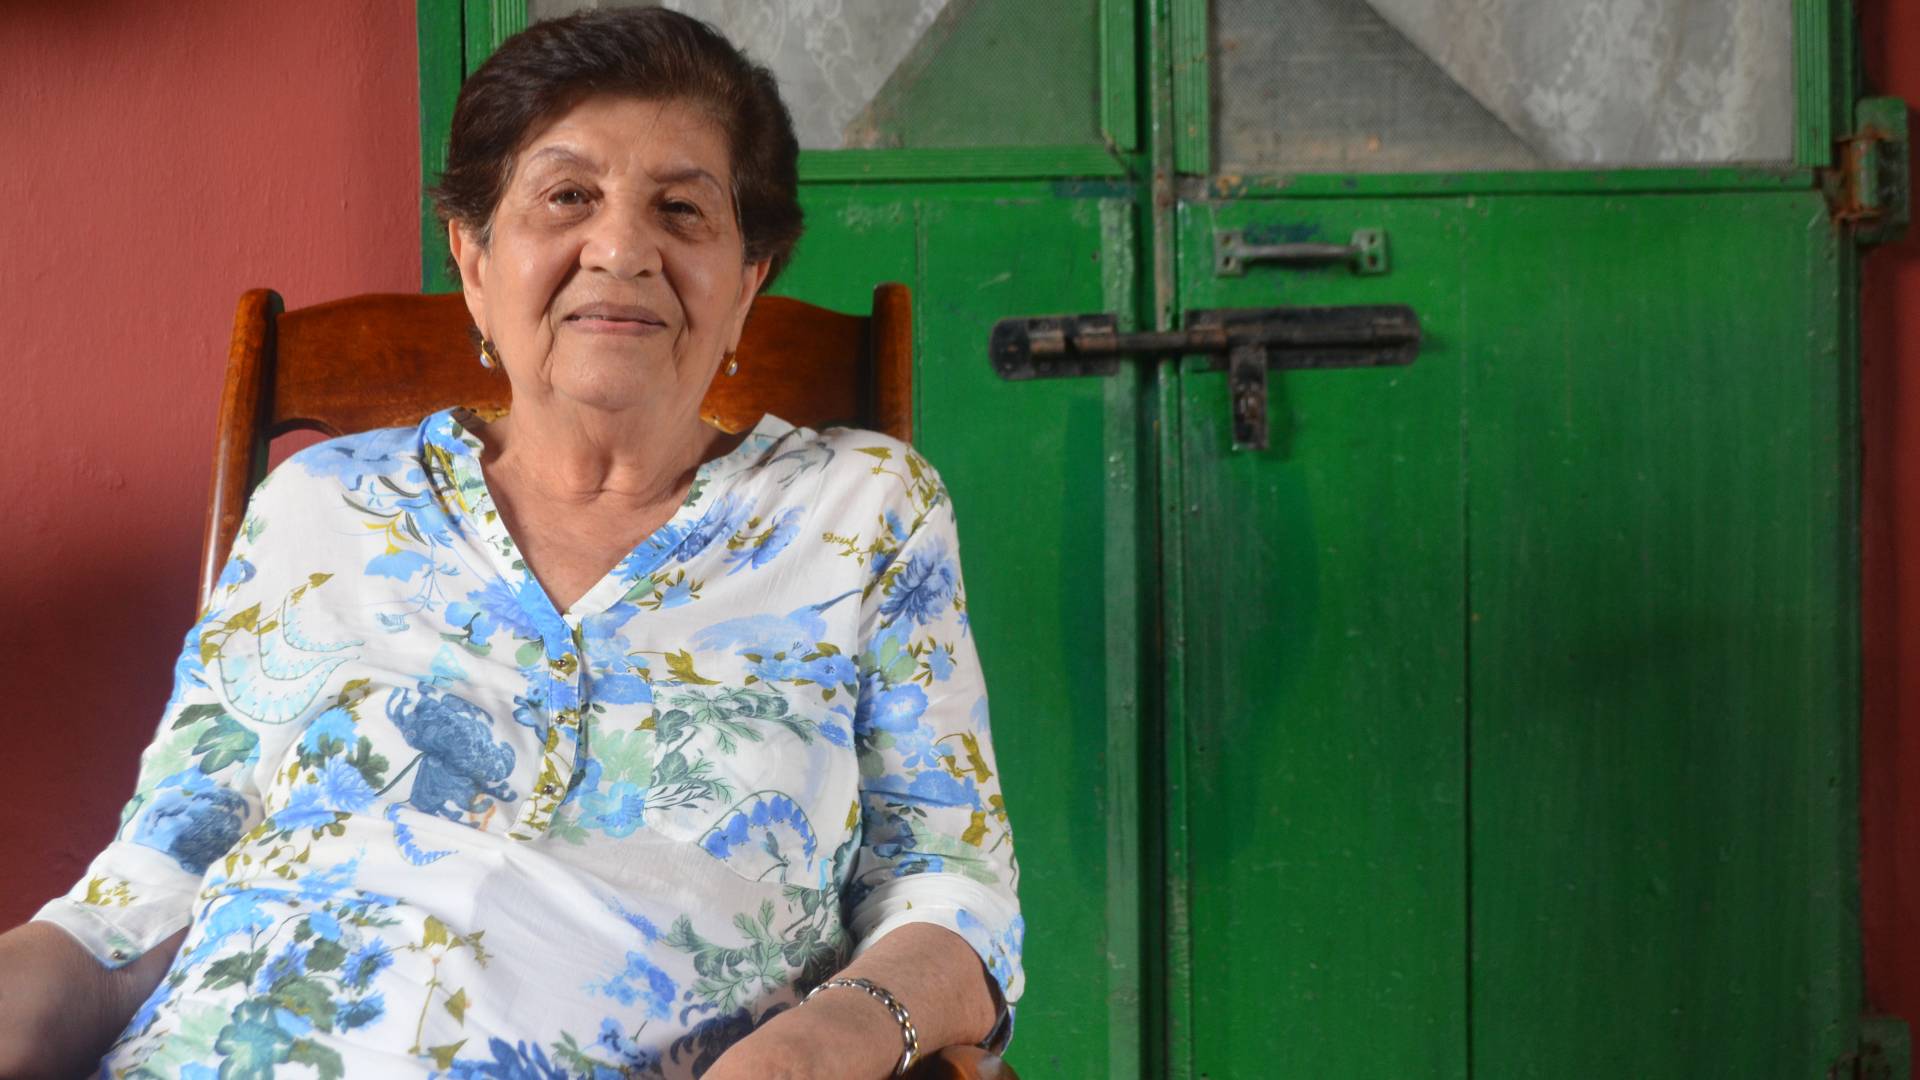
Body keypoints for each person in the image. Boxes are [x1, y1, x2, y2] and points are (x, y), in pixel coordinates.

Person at [0, 9, 1022, 1078]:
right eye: (567, 197)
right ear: (475, 257)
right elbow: (148, 889)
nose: (621, 249)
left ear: (749, 279)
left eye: (681, 209)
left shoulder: (860, 512)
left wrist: (821, 1045)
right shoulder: (322, 505)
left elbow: (951, 887)